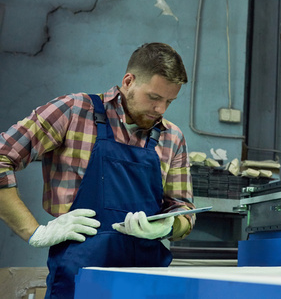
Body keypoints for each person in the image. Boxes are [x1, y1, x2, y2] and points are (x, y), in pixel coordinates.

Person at [0, 42, 196, 298]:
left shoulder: (173, 137)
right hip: (79, 279)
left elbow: (185, 211)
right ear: (128, 81)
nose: (161, 109)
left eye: (170, 101)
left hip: (147, 282)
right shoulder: (74, 111)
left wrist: (168, 227)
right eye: (154, 97)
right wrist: (35, 232)